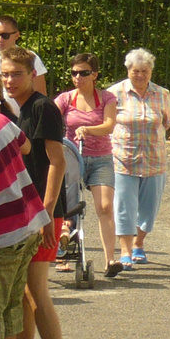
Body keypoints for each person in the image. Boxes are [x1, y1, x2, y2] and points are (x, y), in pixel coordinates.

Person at [0, 48, 74, 339]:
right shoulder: (15, 109)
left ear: (32, 74)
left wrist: (46, 213)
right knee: (26, 296)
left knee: (37, 294)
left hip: (43, 213)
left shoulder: (43, 107)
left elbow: (57, 163)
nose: (9, 81)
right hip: (26, 213)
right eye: (4, 75)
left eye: (15, 74)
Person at [0, 106, 49, 339]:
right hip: (26, 225)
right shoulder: (0, 120)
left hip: (1, 236)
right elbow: (25, 146)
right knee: (9, 307)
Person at [55, 52, 122, 277]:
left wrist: (88, 129)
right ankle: (62, 250)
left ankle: (110, 259)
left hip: (100, 157)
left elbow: (109, 125)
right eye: (74, 73)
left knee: (104, 206)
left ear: (95, 74)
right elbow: (51, 117)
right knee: (70, 206)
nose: (77, 77)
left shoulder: (106, 98)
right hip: (72, 157)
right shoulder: (65, 99)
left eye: (83, 73)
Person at [109, 49, 170, 267]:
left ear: (151, 71)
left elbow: (165, 124)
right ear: (128, 70)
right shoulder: (114, 93)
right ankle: (126, 250)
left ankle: (139, 243)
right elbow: (108, 124)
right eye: (136, 71)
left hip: (154, 159)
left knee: (149, 208)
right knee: (124, 207)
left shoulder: (162, 94)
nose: (140, 75)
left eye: (145, 71)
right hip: (123, 158)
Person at [0, 15, 47, 99]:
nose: (0, 39)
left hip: (22, 111)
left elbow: (40, 93)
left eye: (5, 35)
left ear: (16, 35)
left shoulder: (29, 57)